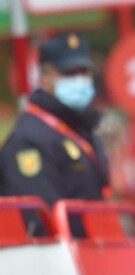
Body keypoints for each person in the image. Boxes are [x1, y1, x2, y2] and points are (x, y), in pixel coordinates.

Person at [0, 32, 109, 235]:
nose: (79, 80)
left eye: (84, 72)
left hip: (95, 248)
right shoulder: (28, 140)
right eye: (69, 73)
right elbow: (39, 219)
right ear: (45, 76)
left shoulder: (81, 129)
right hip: (60, 252)